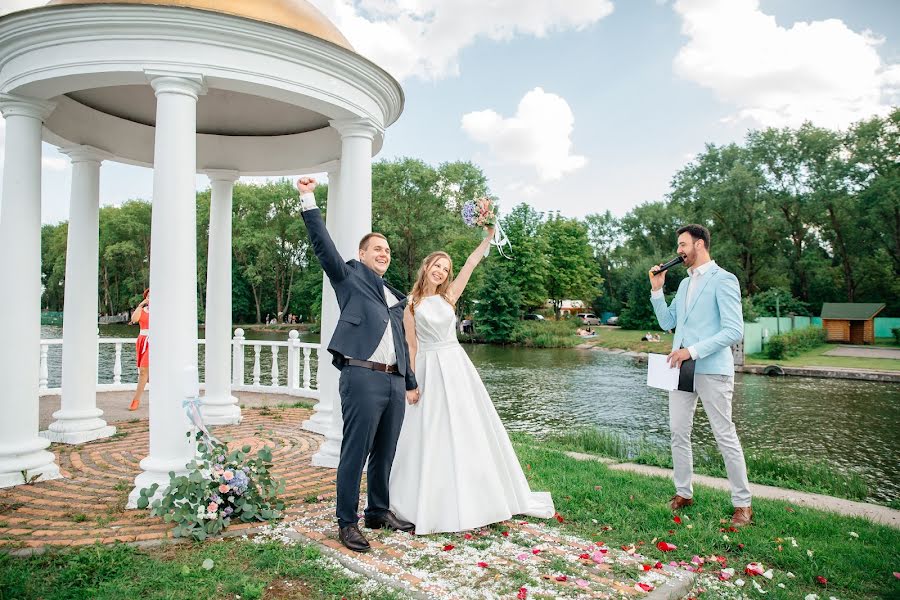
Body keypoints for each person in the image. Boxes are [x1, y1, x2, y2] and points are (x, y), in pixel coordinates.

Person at [390, 236, 555, 534]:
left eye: (445, 268)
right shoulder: (411, 305)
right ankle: (429, 499)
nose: (440, 271)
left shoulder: (449, 296)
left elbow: (471, 263)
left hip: (455, 366)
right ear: (426, 267)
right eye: (436, 265)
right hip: (428, 368)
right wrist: (410, 383)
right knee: (430, 430)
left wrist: (487, 237)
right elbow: (411, 347)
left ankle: (480, 495)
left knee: (468, 427)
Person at [296, 177, 418, 553]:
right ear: (363, 254)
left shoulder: (394, 297)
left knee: (386, 450)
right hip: (361, 376)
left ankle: (378, 512)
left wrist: (409, 381)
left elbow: (400, 344)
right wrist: (307, 199)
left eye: (388, 250)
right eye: (377, 249)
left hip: (394, 382)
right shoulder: (349, 277)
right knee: (356, 450)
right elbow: (322, 246)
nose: (384, 254)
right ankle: (347, 522)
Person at [648, 224, 752, 527]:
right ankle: (684, 493)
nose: (679, 251)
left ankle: (742, 504)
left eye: (683, 245)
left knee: (724, 435)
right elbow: (668, 323)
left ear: (700, 244)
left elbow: (734, 330)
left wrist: (690, 351)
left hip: (712, 369)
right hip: (681, 371)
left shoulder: (724, 280)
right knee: (678, 432)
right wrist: (657, 289)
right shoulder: (682, 285)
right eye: (678, 246)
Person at [129, 289, 150, 411]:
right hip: (143, 341)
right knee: (146, 373)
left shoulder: (162, 310)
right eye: (149, 295)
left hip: (155, 342)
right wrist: (141, 305)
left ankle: (136, 400)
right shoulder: (142, 310)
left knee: (143, 370)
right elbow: (135, 319)